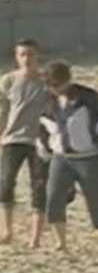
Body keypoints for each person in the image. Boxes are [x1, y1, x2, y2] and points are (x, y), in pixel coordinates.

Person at [37, 60, 98, 255]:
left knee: (95, 200)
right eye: (50, 85)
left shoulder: (89, 98)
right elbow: (42, 127)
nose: (54, 89)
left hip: (89, 157)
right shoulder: (47, 101)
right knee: (54, 198)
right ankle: (61, 243)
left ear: (67, 80)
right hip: (60, 157)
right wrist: (44, 150)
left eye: (58, 84)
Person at [0, 38, 50, 248]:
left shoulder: (47, 81)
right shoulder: (8, 80)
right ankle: (7, 230)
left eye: (30, 54)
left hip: (39, 140)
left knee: (38, 186)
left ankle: (35, 237)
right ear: (17, 57)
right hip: (13, 139)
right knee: (5, 184)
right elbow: (3, 110)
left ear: (38, 56)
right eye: (22, 54)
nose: (27, 59)